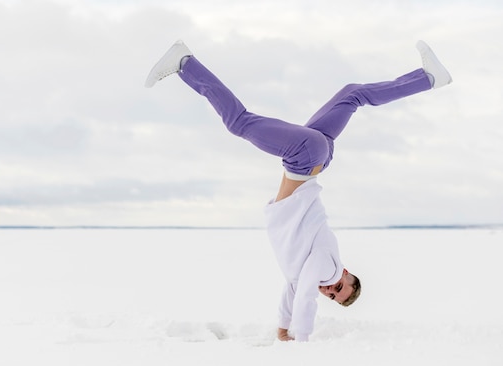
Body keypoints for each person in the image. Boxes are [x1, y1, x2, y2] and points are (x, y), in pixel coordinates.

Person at [144, 39, 452, 342]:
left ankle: (427, 78)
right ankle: (185, 63)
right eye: (339, 287)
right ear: (344, 272)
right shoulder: (326, 267)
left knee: (352, 95)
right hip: (304, 158)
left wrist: (282, 328)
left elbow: (293, 289)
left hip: (317, 156)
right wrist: (301, 338)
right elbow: (305, 294)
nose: (329, 290)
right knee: (239, 123)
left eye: (332, 296)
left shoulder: (307, 268)